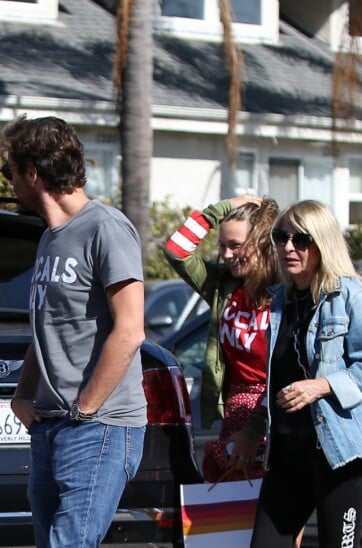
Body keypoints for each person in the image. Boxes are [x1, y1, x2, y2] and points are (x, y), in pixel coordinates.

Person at [3, 115, 147, 547]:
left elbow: (130, 330)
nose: (8, 181)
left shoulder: (106, 228)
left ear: (32, 172)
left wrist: (84, 410)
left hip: (99, 426)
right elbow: (45, 327)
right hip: (51, 425)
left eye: (8, 170)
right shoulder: (50, 238)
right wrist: (22, 394)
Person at [250, 200, 362, 548]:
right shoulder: (281, 301)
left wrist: (321, 386)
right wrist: (254, 426)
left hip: (338, 448)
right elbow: (277, 373)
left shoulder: (353, 295)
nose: (288, 247)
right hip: (287, 451)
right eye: (281, 237)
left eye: (301, 239)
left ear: (323, 242)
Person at [164, 195, 279, 482]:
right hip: (235, 409)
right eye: (222, 246)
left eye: (236, 245)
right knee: (231, 507)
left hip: (273, 409)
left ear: (263, 243)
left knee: (270, 506)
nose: (226, 255)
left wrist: (255, 428)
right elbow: (176, 251)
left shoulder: (283, 293)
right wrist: (225, 207)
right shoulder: (222, 285)